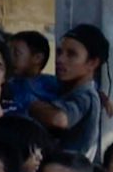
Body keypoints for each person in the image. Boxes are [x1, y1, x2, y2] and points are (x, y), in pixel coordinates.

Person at [27, 24, 107, 159]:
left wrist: (31, 104)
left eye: (71, 54)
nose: (60, 60)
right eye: (59, 52)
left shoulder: (85, 95)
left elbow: (59, 119)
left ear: (92, 63)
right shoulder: (65, 89)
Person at [6, 30, 52, 112]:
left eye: (16, 54)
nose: (9, 58)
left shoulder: (53, 86)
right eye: (8, 52)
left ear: (37, 58)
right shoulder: (7, 84)